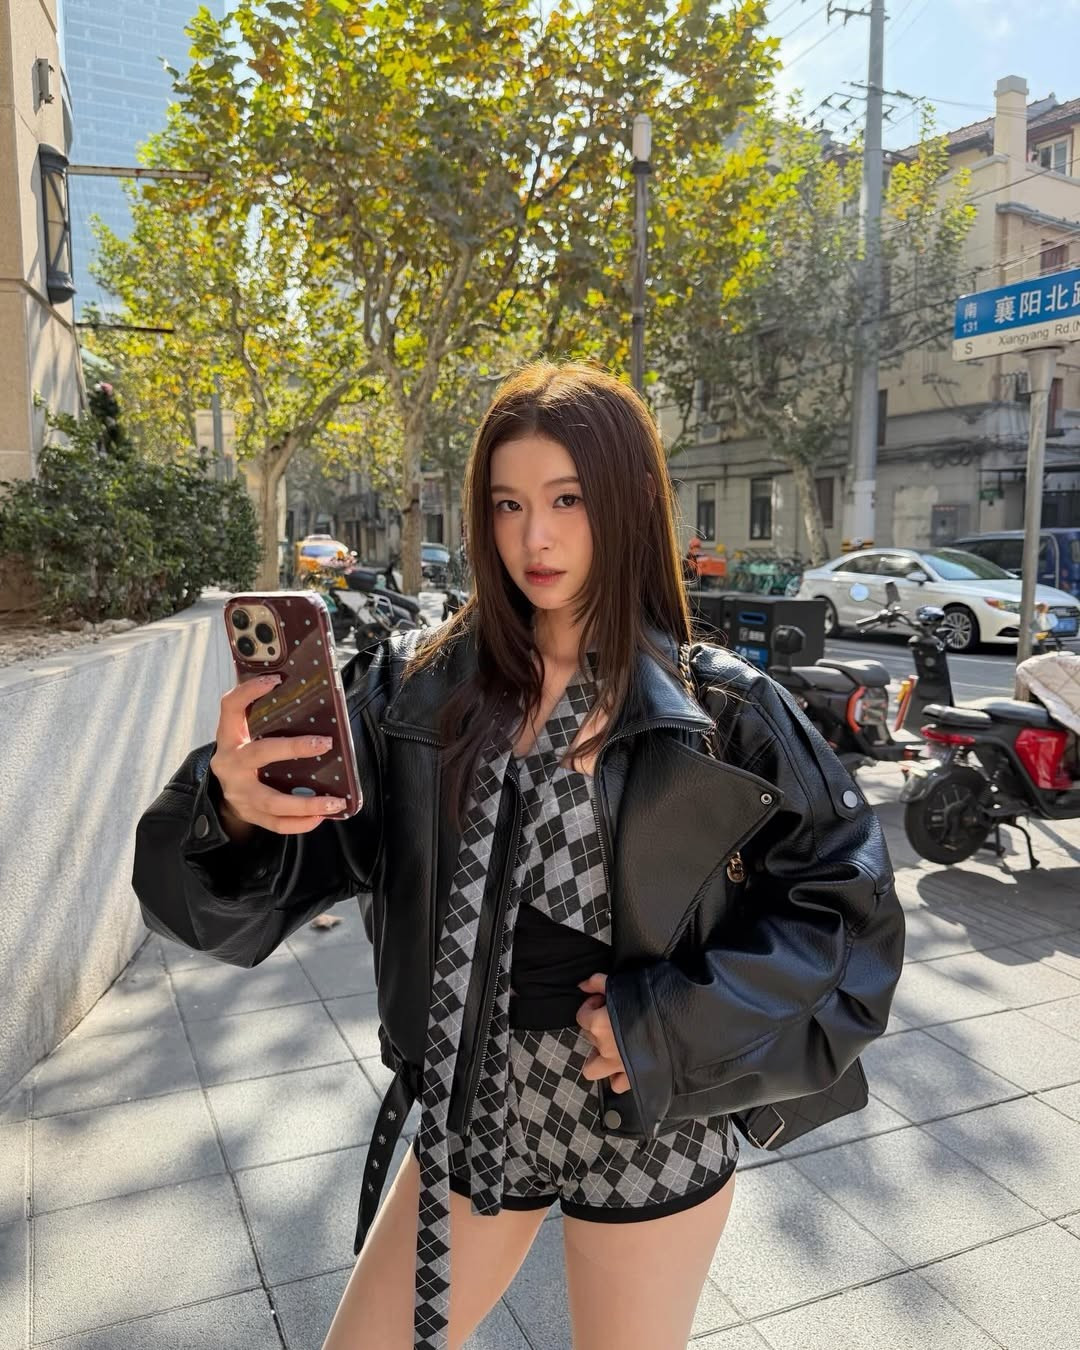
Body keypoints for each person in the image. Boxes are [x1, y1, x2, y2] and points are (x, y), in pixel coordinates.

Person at [133, 362, 904, 1350]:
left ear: (629, 501)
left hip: (649, 1120)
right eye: (508, 504)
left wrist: (670, 1027)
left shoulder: (724, 713)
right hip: (474, 1110)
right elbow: (241, 894)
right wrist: (233, 810)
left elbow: (848, 922)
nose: (534, 537)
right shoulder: (416, 697)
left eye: (567, 499)